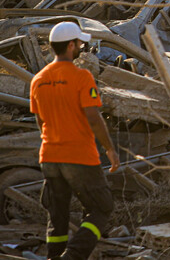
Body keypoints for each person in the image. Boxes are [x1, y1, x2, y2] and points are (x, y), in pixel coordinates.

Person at [30, 22, 119, 260]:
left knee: (57, 215)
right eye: (79, 43)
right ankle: (73, 256)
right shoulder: (81, 77)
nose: (81, 47)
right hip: (79, 156)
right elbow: (93, 116)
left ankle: (54, 256)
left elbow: (40, 120)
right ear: (71, 46)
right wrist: (109, 149)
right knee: (101, 208)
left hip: (49, 156)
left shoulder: (38, 79)